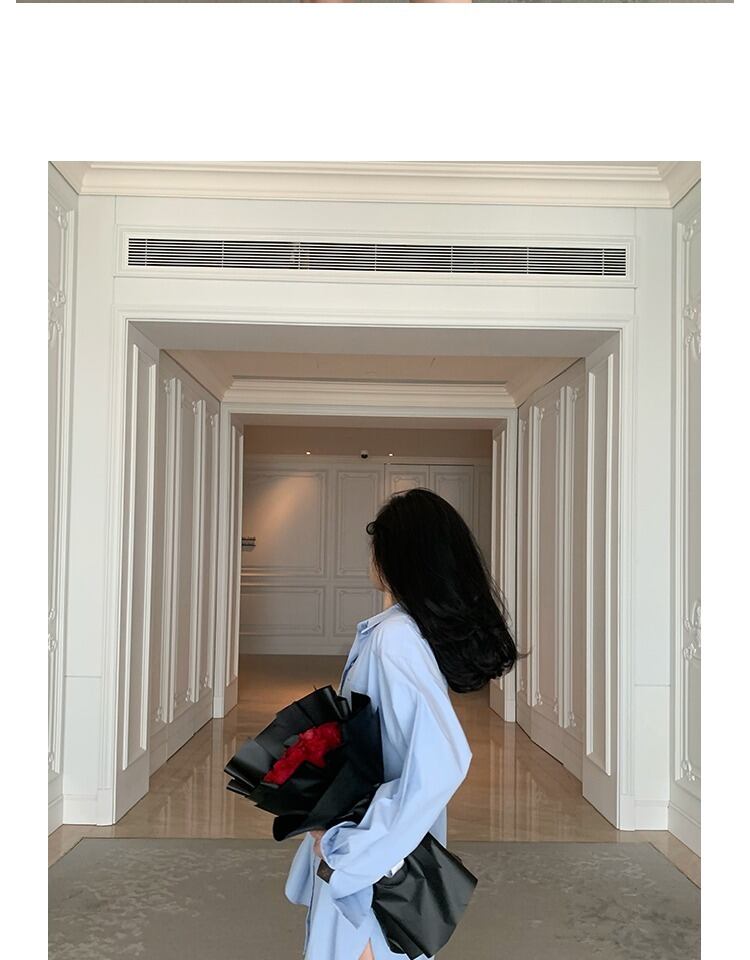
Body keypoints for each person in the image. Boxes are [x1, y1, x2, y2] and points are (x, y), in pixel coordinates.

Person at [285, 487, 519, 960]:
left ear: (400, 555)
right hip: (372, 848)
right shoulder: (399, 631)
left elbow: (442, 762)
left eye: (378, 541)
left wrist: (354, 849)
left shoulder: (395, 639)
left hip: (374, 866)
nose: (371, 553)